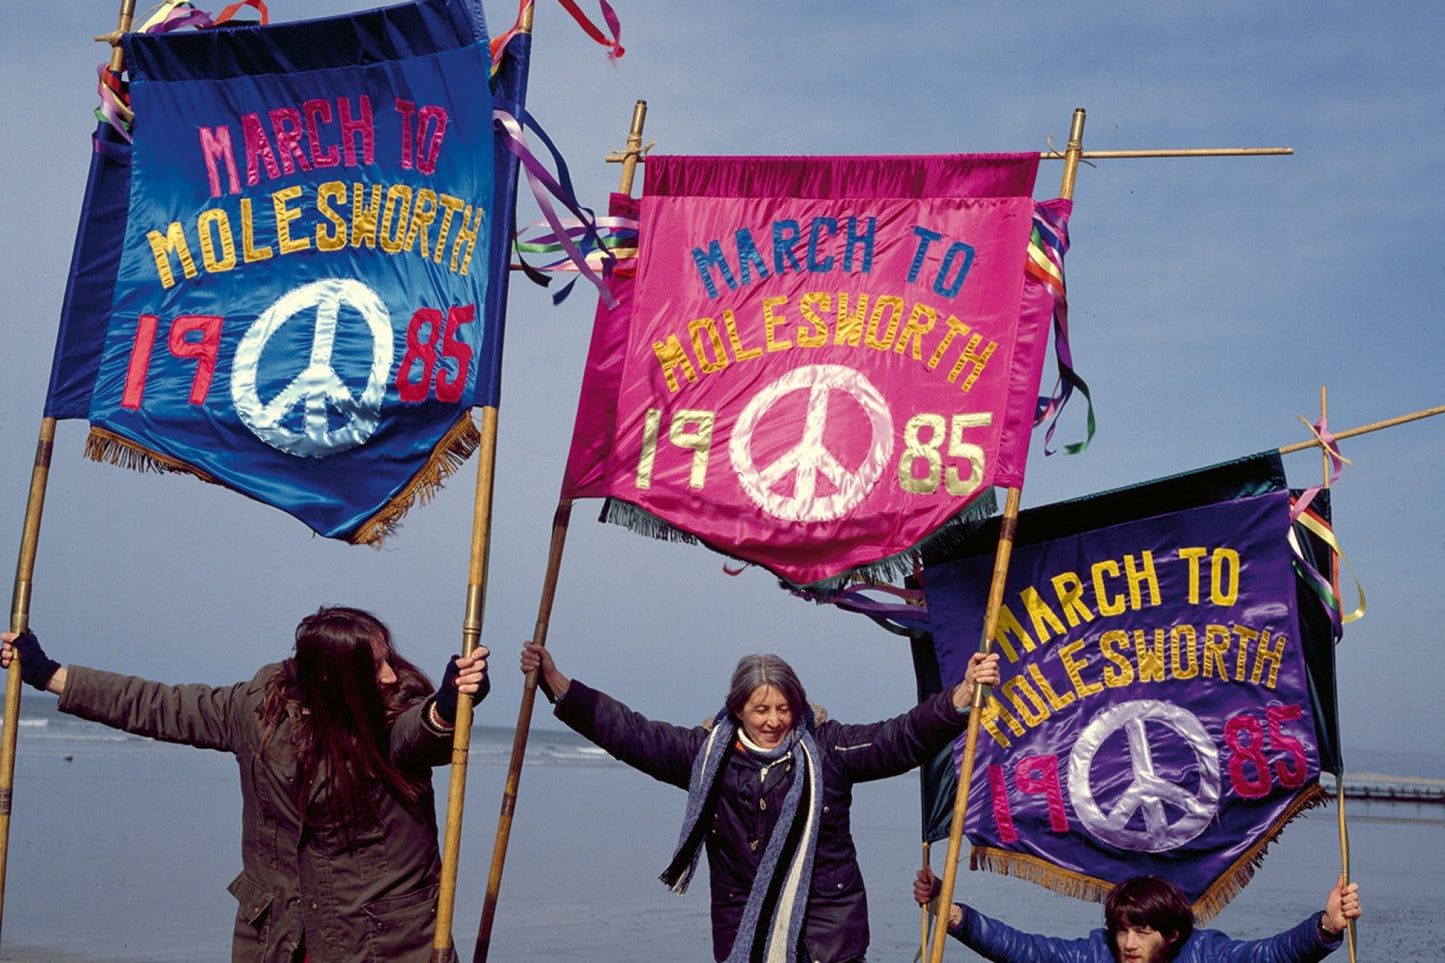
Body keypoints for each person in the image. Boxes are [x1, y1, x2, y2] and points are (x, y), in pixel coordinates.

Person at [2, 607, 489, 963]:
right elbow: (159, 705)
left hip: (383, 946)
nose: (389, 675)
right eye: (374, 665)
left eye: (389, 658)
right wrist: (50, 675)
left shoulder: (392, 717)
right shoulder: (255, 713)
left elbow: (422, 734)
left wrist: (450, 704)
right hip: (280, 942)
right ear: (331, 675)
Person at [519, 641, 1001, 963]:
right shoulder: (707, 757)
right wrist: (559, 685)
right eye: (761, 709)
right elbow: (631, 733)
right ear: (738, 709)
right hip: (744, 937)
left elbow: (900, 738)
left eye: (783, 708)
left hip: (829, 938)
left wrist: (957, 698)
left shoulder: (829, 748)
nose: (773, 720)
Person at [912, 865, 1362, 963]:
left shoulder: (1206, 954)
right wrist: (954, 917)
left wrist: (1324, 928)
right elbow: (1026, 951)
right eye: (1122, 930)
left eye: (1141, 932)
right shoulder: (1097, 953)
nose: (1128, 943)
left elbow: (1271, 955)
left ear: (1170, 933)